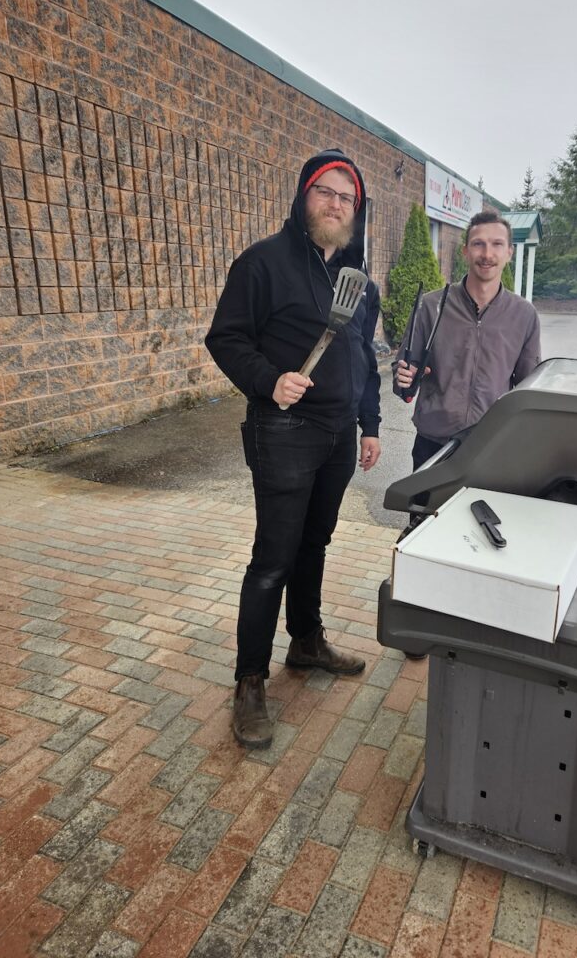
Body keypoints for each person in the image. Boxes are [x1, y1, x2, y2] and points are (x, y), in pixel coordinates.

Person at [206, 149, 381, 749]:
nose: (335, 204)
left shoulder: (358, 283)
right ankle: (250, 681)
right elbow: (224, 337)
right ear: (303, 196)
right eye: (325, 192)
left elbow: (363, 359)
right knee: (273, 558)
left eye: (346, 197)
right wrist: (268, 380)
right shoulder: (263, 263)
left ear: (357, 211)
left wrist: (370, 423)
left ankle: (305, 642)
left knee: (315, 543)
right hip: (282, 433)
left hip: (337, 436)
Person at [394, 209, 541, 469]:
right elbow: (404, 372)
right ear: (465, 251)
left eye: (497, 244)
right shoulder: (431, 306)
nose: (487, 254)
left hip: (492, 447)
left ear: (509, 252)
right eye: (478, 244)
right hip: (433, 444)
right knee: (426, 511)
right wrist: (403, 377)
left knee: (484, 512)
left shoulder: (524, 315)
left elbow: (527, 388)